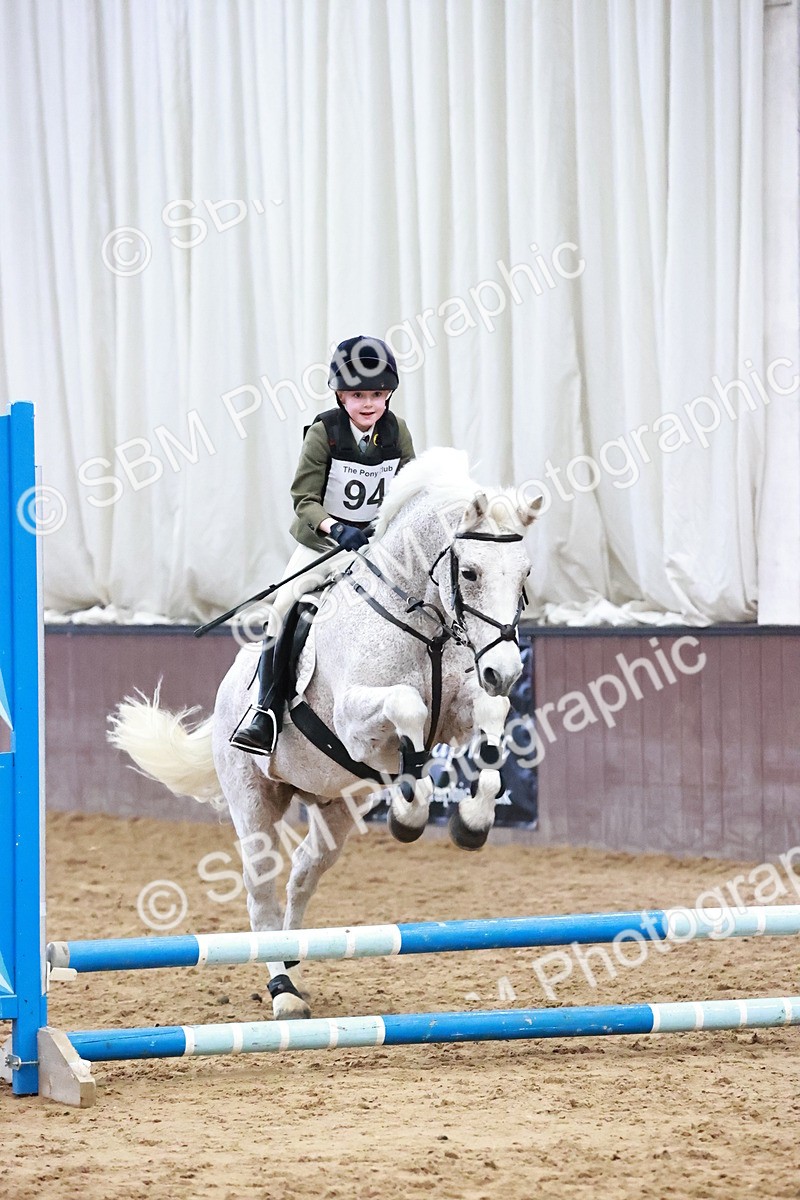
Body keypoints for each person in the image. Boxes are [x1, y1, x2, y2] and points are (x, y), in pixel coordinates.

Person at [231, 334, 416, 755]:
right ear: (340, 395)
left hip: (376, 547)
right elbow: (304, 500)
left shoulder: (397, 431)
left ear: (388, 395)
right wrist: (337, 528)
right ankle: (265, 711)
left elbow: (409, 487)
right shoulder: (323, 433)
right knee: (282, 608)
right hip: (324, 546)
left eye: (376, 394)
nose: (368, 404)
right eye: (357, 395)